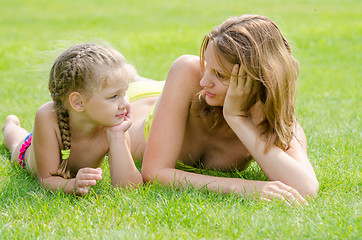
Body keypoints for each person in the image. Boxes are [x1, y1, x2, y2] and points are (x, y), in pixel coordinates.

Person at [128, 14, 319, 204]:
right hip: (139, 100)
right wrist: (241, 187)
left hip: (181, 96)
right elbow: (154, 173)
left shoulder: (278, 126)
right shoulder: (190, 73)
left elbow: (307, 188)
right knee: (121, 79)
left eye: (220, 74)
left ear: (258, 78)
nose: (204, 81)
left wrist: (236, 117)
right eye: (207, 67)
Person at [2, 43, 143, 196]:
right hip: (28, 151)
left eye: (125, 92)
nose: (125, 103)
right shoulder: (47, 117)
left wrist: (116, 135)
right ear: (78, 102)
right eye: (114, 96)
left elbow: (129, 189)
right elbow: (46, 179)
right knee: (15, 141)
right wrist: (72, 185)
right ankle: (10, 125)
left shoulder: (113, 124)